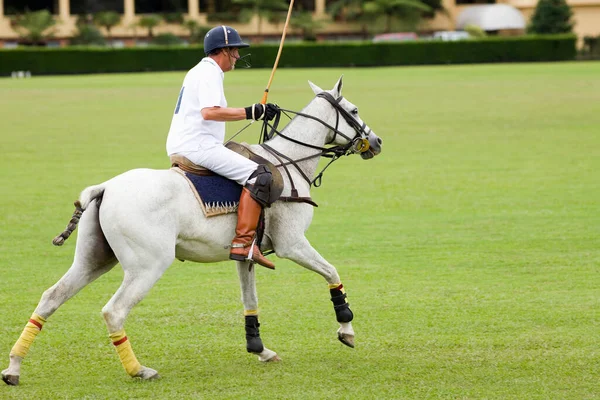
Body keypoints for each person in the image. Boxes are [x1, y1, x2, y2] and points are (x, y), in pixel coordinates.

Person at [166, 25, 278, 269]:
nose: (238, 56)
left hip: (187, 143)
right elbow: (209, 112)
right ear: (223, 51)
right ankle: (244, 243)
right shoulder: (210, 72)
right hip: (198, 146)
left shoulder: (201, 70)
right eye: (235, 51)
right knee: (259, 175)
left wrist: (254, 113)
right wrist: (251, 112)